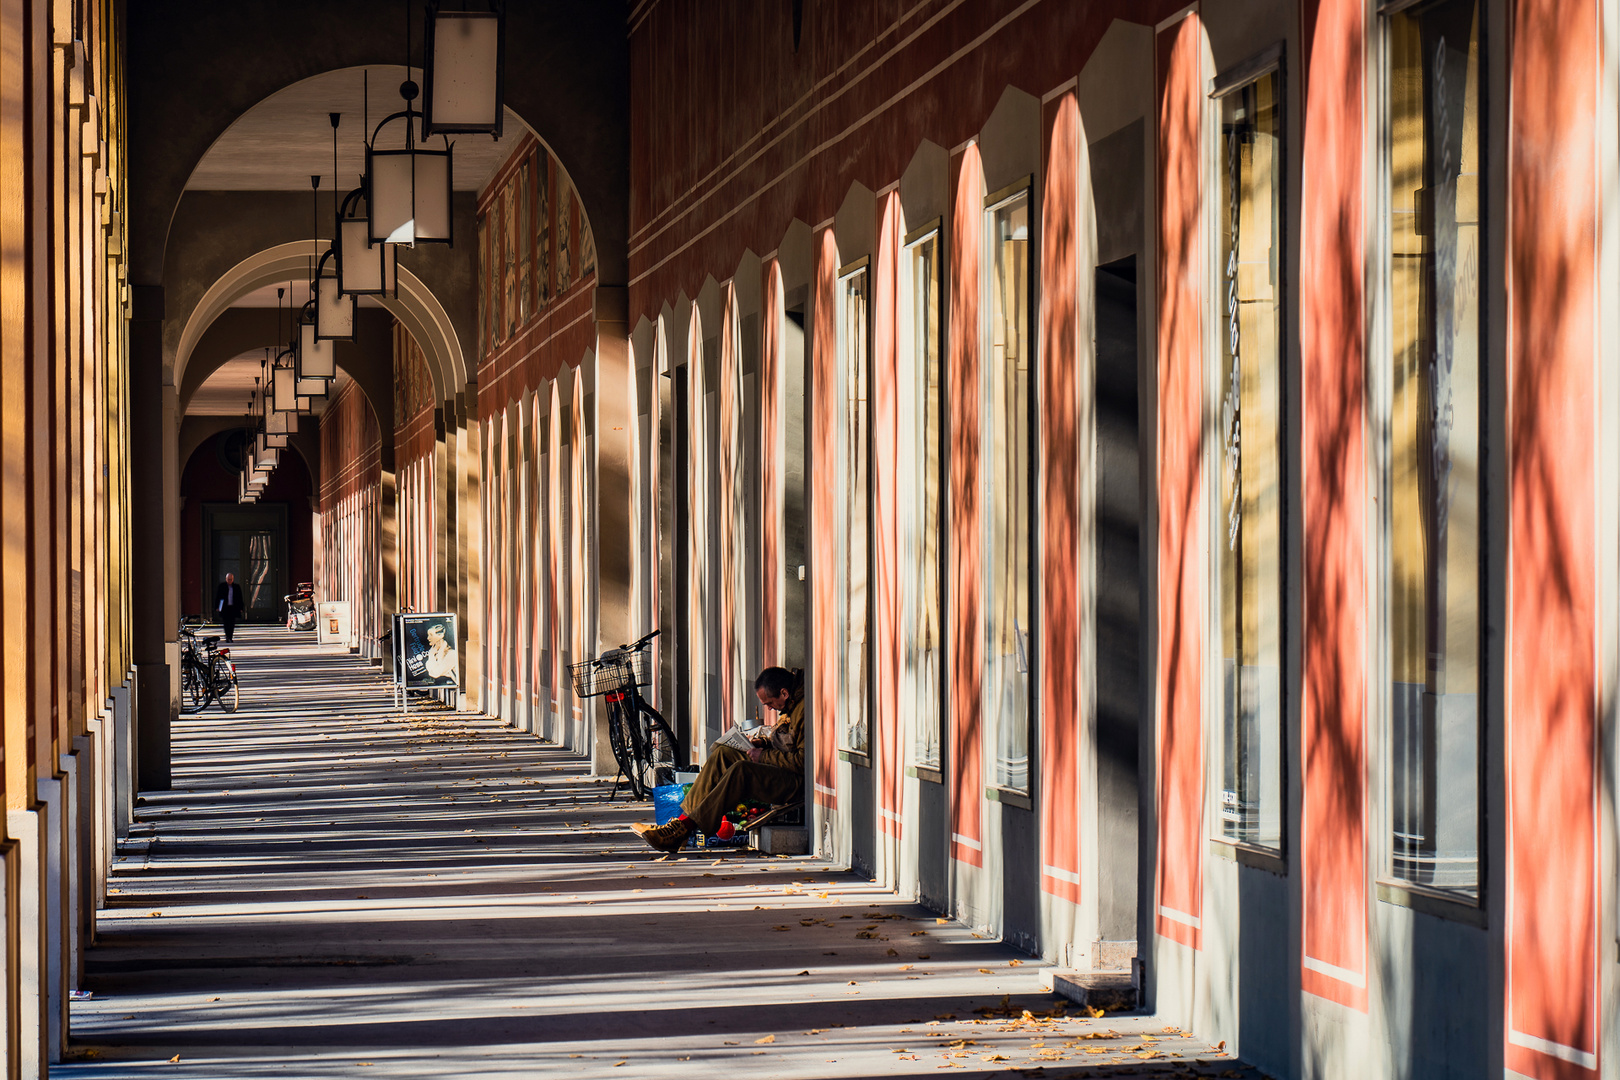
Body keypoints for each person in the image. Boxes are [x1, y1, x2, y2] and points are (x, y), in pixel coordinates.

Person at [632, 666, 804, 853]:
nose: (769, 708)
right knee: (724, 753)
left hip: (793, 782)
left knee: (741, 770)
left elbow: (802, 762)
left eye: (769, 703)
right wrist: (761, 742)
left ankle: (685, 829)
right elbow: (783, 740)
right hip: (777, 764)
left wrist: (763, 755)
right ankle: (680, 823)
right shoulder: (790, 704)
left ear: (784, 693)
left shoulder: (802, 711)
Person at [214, 572, 244, 643]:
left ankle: (230, 636)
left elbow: (240, 598)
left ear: (233, 579)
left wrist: (241, 608)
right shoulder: (222, 586)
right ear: (226, 579)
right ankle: (227, 636)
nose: (229, 581)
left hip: (233, 607)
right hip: (225, 608)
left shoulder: (236, 587)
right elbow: (218, 597)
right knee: (226, 623)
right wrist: (217, 607)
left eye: (231, 579)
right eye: (228, 579)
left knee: (232, 623)